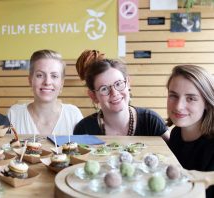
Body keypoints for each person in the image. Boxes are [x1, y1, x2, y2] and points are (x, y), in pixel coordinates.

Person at [73, 50, 169, 140]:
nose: (114, 93)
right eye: (104, 89)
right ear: (93, 96)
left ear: (128, 83)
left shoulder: (151, 121)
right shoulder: (83, 129)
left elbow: (173, 156)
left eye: (118, 84)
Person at [7, 49, 83, 136]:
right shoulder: (14, 115)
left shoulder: (73, 115)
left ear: (61, 83)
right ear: (30, 80)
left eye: (54, 76)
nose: (47, 82)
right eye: (40, 75)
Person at [166, 65, 214, 197]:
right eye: (173, 96)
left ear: (207, 103)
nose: (179, 106)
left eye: (191, 98)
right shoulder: (176, 133)